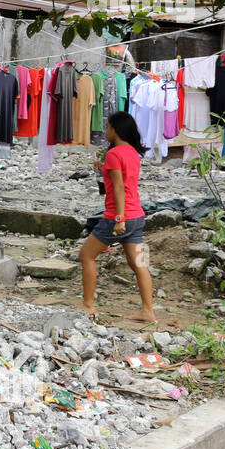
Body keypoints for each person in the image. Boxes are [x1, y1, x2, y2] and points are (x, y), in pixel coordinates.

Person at [78, 110, 155, 324]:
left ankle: (88, 305)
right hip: (137, 217)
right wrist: (100, 171)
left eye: (108, 127)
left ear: (116, 129)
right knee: (139, 264)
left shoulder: (113, 154)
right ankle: (148, 311)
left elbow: (119, 188)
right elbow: (115, 186)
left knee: (86, 255)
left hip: (118, 218)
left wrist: (119, 219)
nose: (106, 131)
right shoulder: (132, 152)